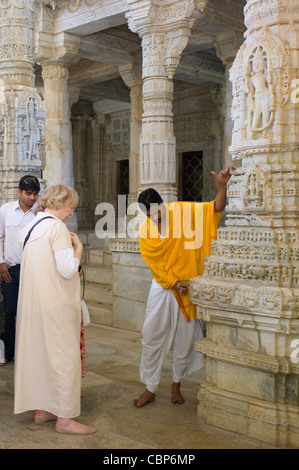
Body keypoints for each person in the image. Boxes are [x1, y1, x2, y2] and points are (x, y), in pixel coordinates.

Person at [133, 167, 235, 407]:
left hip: (187, 286)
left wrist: (222, 184)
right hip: (164, 287)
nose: (156, 217)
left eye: (158, 211)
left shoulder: (181, 211)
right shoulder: (145, 231)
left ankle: (176, 385)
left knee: (185, 338)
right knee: (151, 336)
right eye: (150, 214)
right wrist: (173, 283)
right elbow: (154, 265)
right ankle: (150, 388)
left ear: (163, 205)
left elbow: (215, 208)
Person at [14, 184, 96, 435]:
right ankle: (65, 419)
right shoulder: (57, 228)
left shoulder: (30, 227)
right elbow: (67, 269)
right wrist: (79, 250)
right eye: (71, 207)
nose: (71, 213)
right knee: (63, 360)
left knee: (42, 357)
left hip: (33, 306)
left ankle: (43, 410)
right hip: (55, 306)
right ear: (60, 205)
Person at [0, 175, 40, 366]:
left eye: (35, 193)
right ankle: (7, 353)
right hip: (11, 271)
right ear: (19, 192)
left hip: (34, 271)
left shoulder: (40, 213)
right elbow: (0, 237)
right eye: (28, 193)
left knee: (32, 313)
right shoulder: (6, 210)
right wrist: (1, 263)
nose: (32, 197)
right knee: (8, 312)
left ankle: (28, 355)